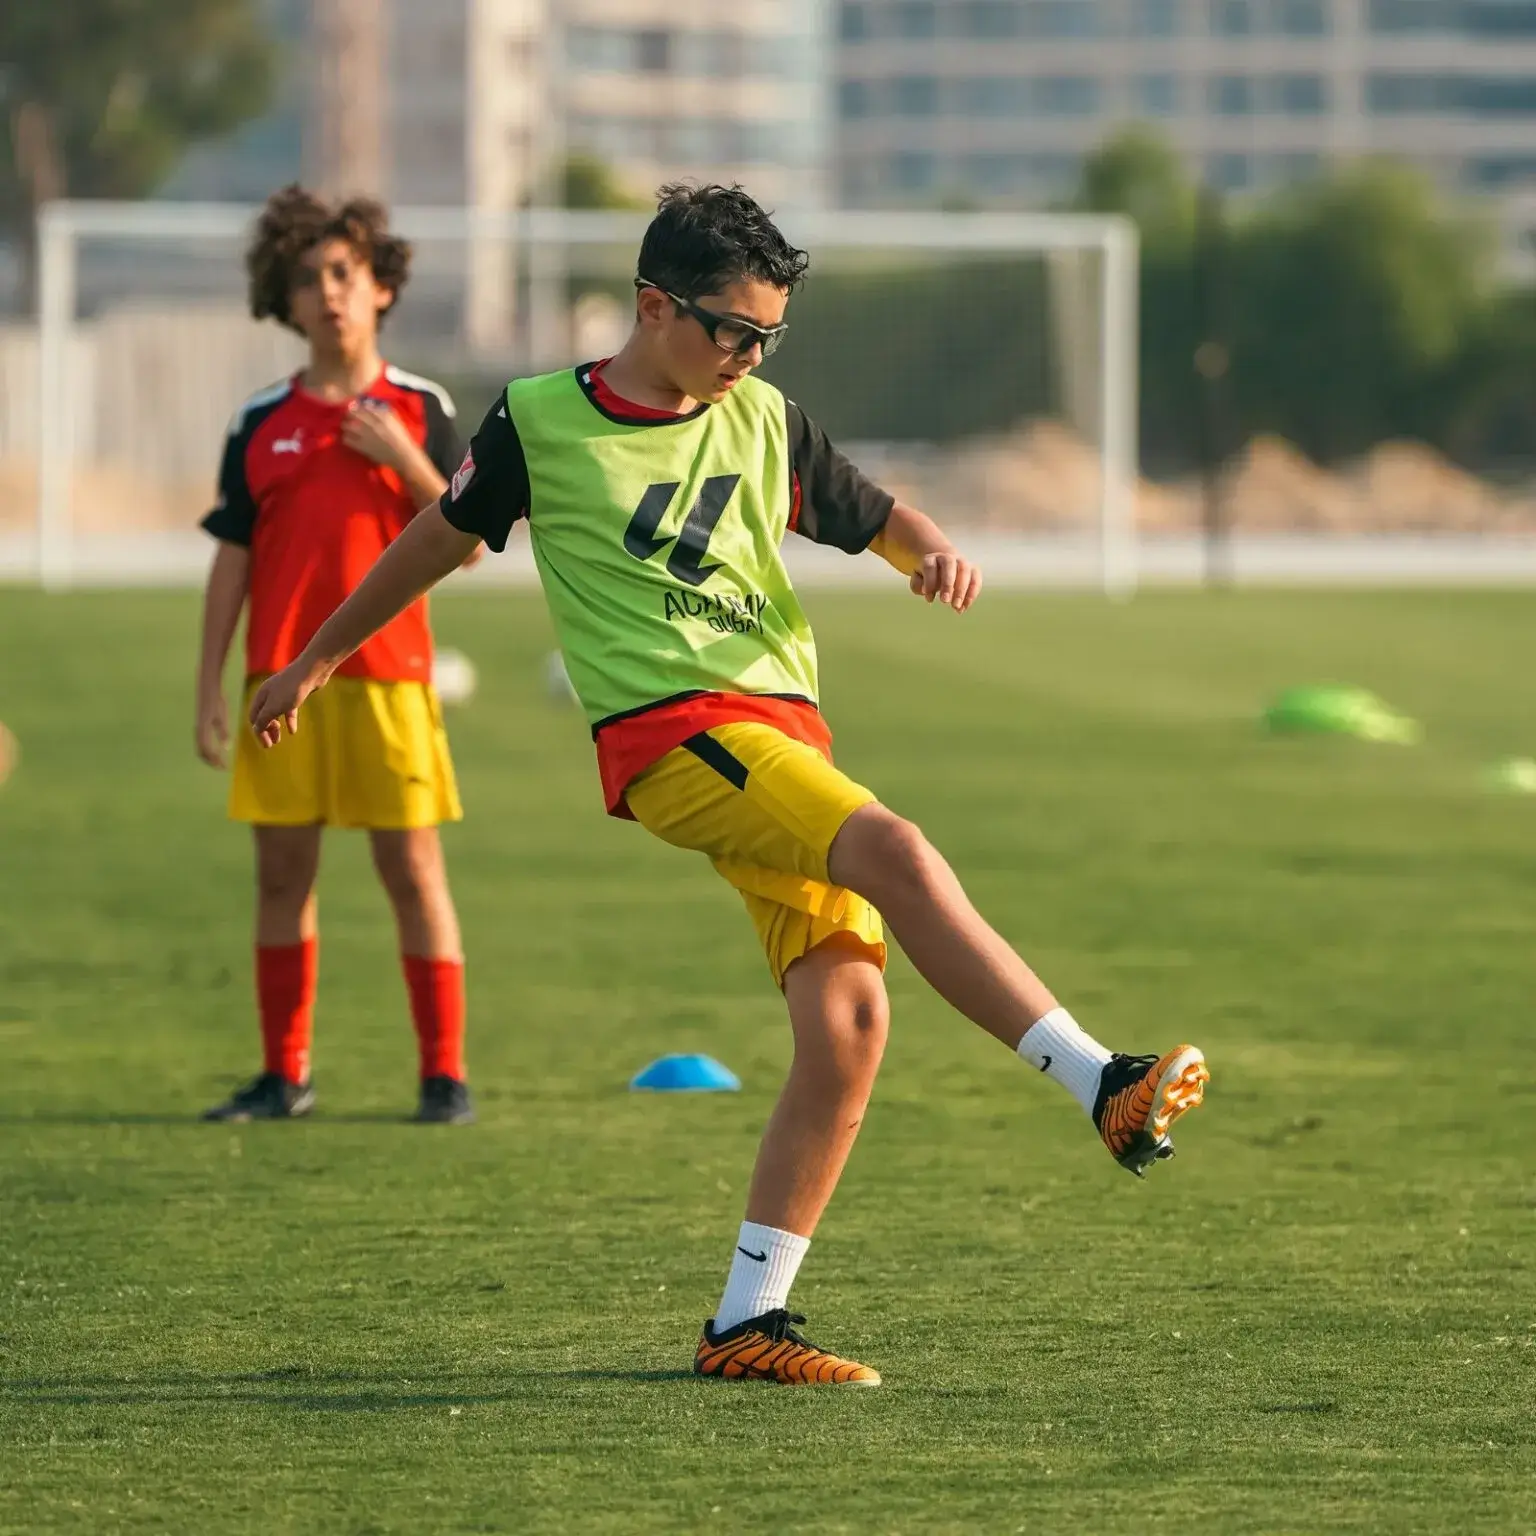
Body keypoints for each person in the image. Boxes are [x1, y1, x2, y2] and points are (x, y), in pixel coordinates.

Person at [247, 183, 1209, 1381]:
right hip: (674, 738)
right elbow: (435, 540)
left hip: (782, 743)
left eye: (768, 337)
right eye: (732, 331)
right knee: (902, 853)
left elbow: (866, 509)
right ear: (656, 307)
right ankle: (1103, 1083)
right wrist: (317, 659)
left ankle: (744, 1325)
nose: (750, 356)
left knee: (851, 1025)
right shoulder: (541, 421)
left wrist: (936, 552)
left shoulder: (762, 418)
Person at [196, 185, 474, 1127]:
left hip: (388, 678)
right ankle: (285, 1076)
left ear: (381, 286)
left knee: (413, 875)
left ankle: (444, 1077)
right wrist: (209, 687)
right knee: (281, 879)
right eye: (308, 278)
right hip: (280, 682)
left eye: (345, 274)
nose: (329, 294)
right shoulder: (257, 422)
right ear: (288, 298)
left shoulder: (420, 408)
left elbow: (471, 540)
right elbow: (233, 559)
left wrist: (406, 458)